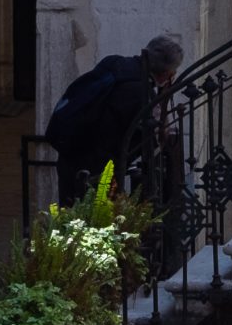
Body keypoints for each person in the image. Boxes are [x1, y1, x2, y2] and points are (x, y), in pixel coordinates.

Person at [46, 34, 183, 201]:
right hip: (98, 168)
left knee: (70, 213)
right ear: (166, 73)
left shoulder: (114, 63)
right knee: (94, 220)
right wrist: (163, 97)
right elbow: (154, 139)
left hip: (71, 152)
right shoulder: (141, 94)